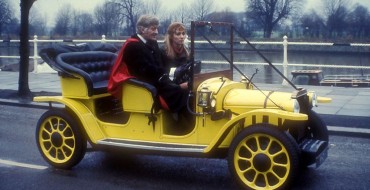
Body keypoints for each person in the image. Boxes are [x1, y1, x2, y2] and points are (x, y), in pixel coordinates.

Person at [108, 15, 188, 114]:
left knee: (189, 90)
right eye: (153, 29)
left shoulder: (152, 43)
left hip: (155, 81)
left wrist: (176, 73)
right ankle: (184, 123)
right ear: (142, 29)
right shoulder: (132, 46)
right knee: (182, 92)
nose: (157, 32)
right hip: (146, 84)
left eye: (157, 28)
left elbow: (161, 64)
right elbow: (145, 72)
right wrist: (175, 85)